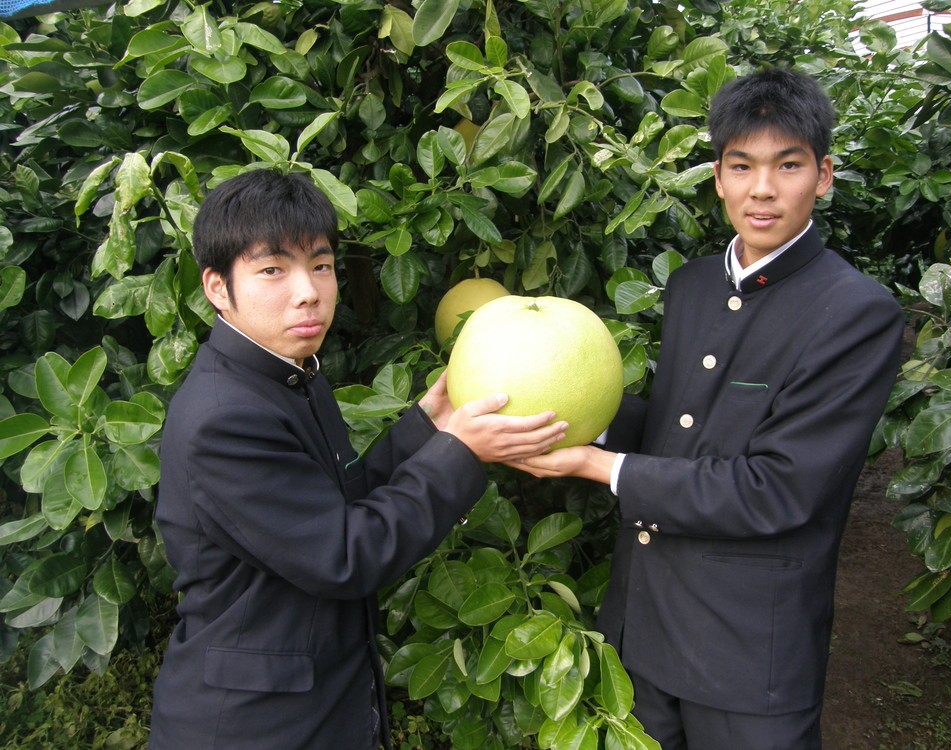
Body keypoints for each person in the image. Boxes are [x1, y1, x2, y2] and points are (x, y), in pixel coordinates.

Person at [511, 68, 904, 749]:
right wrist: (575, 419)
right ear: (718, 177)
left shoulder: (854, 313)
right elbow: (677, 431)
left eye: (788, 165)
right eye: (742, 165)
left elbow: (779, 489)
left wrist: (601, 467)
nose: (762, 188)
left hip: (747, 653)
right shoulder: (693, 285)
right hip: (644, 631)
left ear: (823, 176)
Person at [148, 169, 568, 749]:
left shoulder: (290, 374)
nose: (308, 291)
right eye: (273, 270)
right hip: (255, 725)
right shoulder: (225, 417)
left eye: (320, 265)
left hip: (318, 703)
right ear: (218, 288)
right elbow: (345, 554)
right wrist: (462, 452)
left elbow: (341, 505)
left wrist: (428, 425)